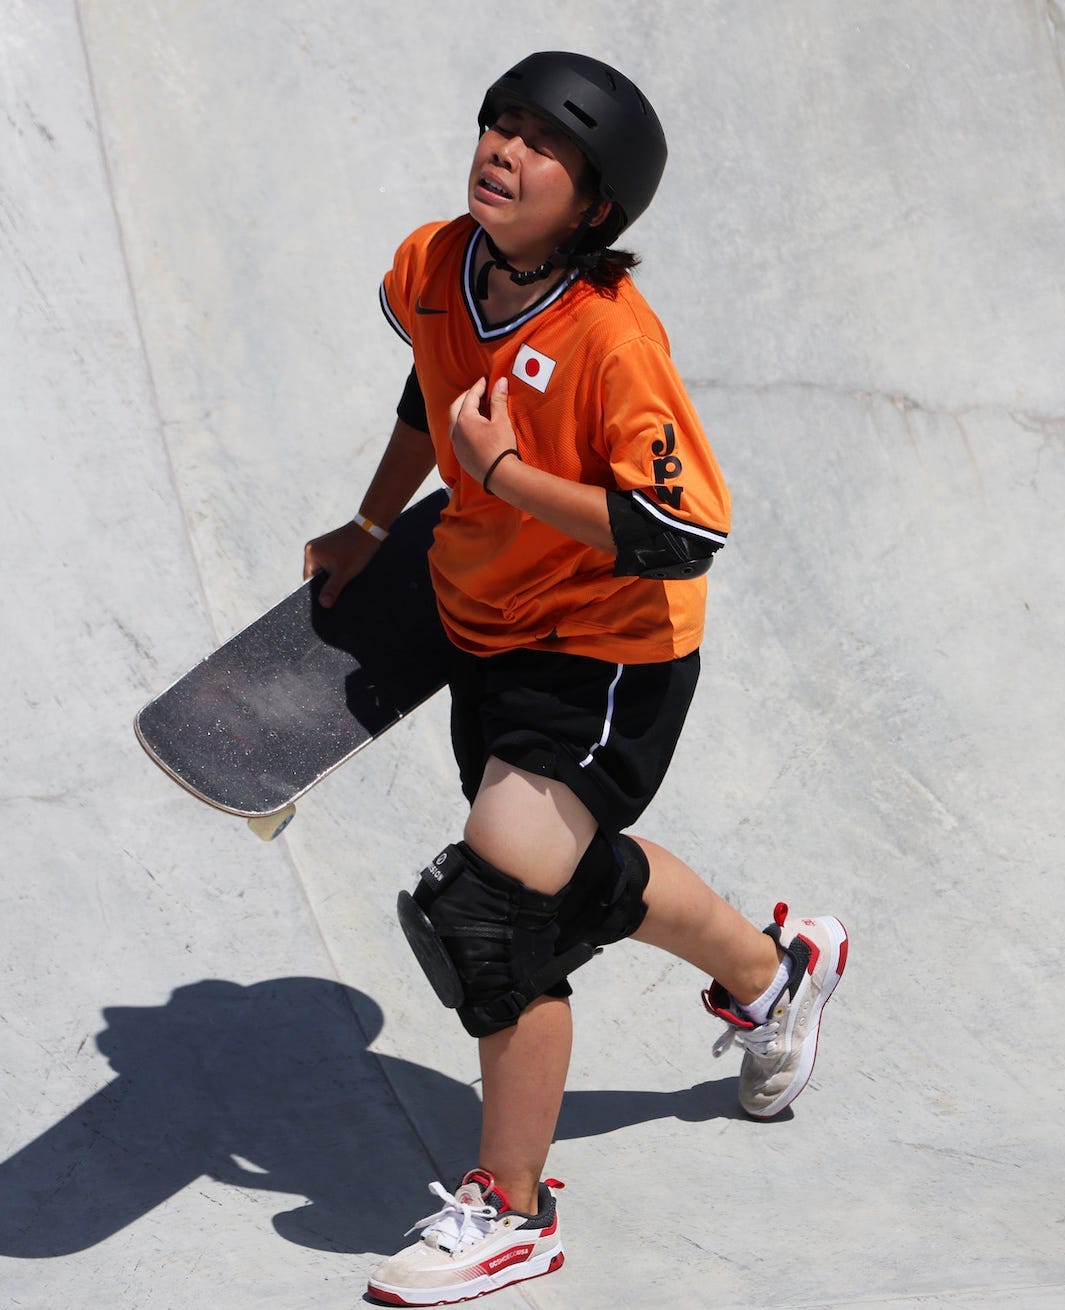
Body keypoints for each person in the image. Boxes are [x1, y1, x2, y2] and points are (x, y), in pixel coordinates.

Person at [301, 52, 849, 1306]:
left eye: (540, 146)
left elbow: (684, 531)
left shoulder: (611, 341)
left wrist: (500, 480)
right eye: (498, 124)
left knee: (487, 915)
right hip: (479, 620)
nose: (503, 148)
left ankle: (511, 1210)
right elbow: (428, 383)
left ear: (593, 205)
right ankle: (775, 977)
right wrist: (376, 523)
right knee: (551, 875)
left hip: (609, 649)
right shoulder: (440, 260)